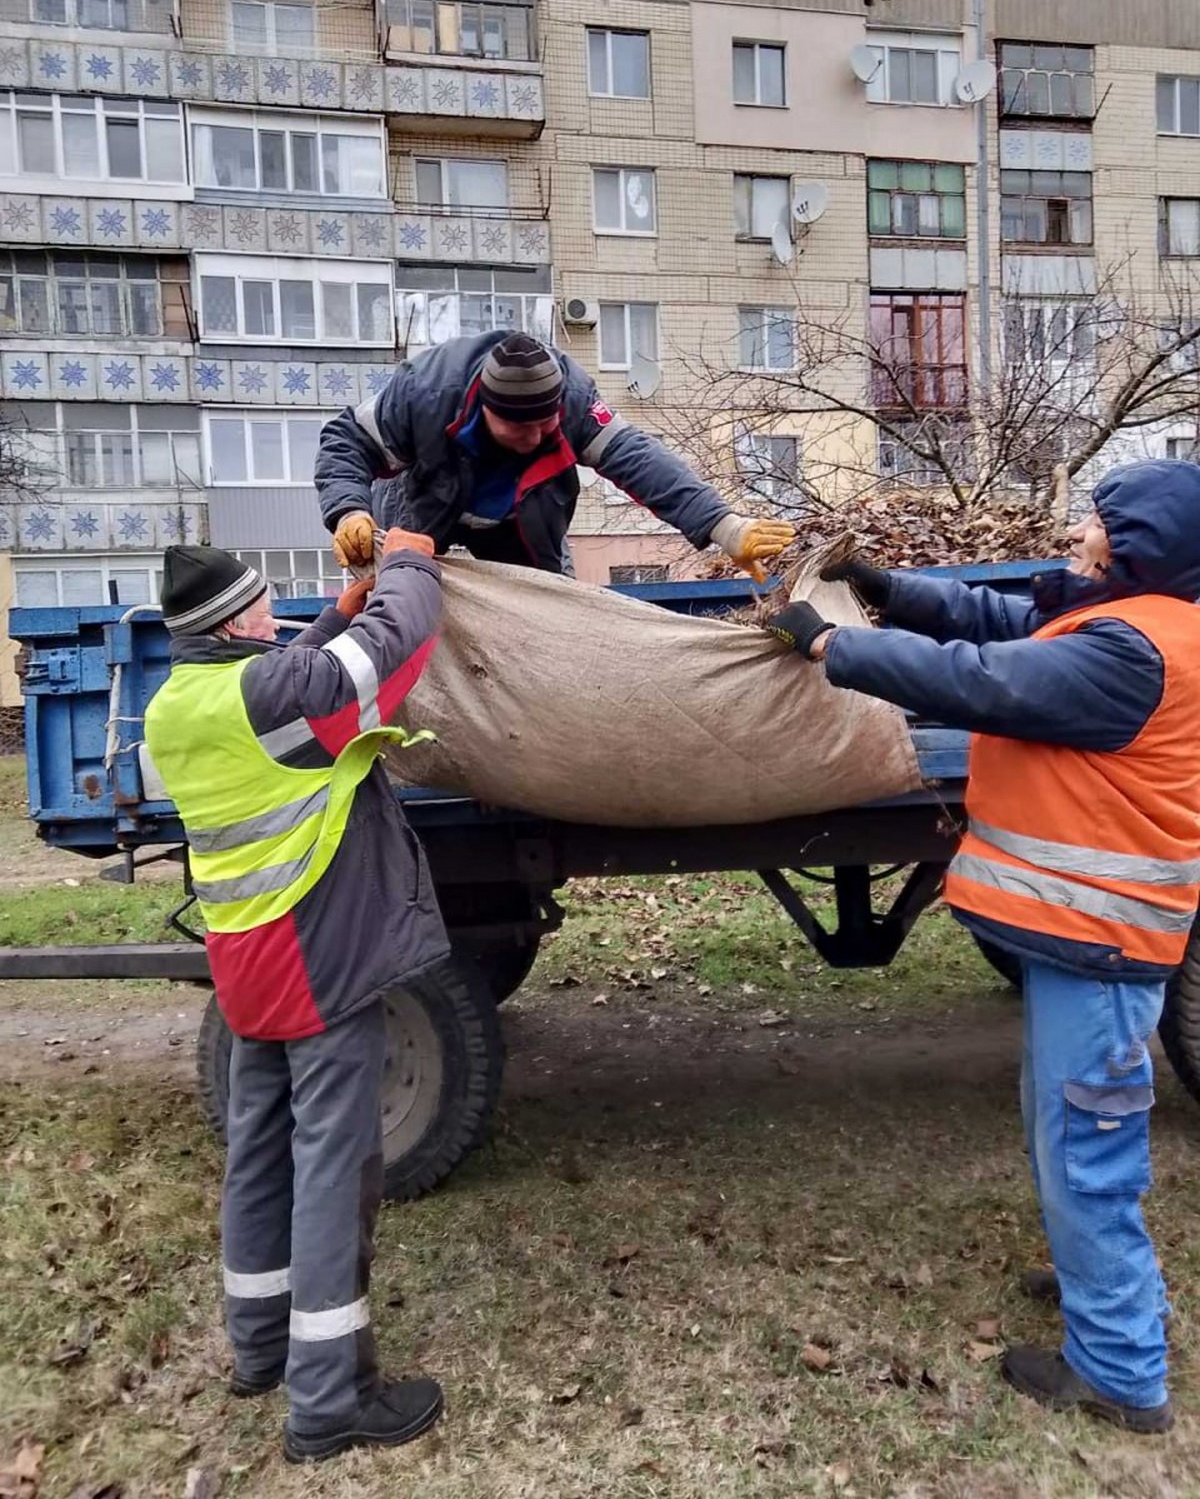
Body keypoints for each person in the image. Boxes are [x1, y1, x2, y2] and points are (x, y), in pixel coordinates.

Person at [766, 460, 1200, 1434]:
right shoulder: (1133, 615)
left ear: (1142, 546)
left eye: (1098, 524)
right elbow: (1003, 623)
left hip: (1103, 941)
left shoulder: (1138, 652)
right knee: (1069, 1133)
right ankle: (1101, 1284)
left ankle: (1123, 1368)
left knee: (1088, 1144)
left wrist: (833, 642)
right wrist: (889, 591)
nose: (1082, 535)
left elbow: (983, 679)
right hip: (1087, 937)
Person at [143, 535, 449, 1464]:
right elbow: (398, 642)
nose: (272, 615)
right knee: (333, 1165)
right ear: (232, 621)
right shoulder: (275, 692)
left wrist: (334, 612)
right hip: (317, 951)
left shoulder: (175, 704)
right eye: (262, 605)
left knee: (259, 1149)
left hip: (246, 956)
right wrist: (406, 565)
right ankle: (328, 1399)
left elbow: (286, 692)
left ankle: (259, 1345)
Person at [315, 329, 796, 578]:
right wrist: (348, 512)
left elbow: (641, 461)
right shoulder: (426, 392)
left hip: (520, 525)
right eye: (518, 427)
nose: (536, 437)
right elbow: (346, 441)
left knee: (547, 612)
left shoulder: (573, 402)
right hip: (422, 508)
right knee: (399, 609)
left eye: (545, 424)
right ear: (484, 407)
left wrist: (725, 527)